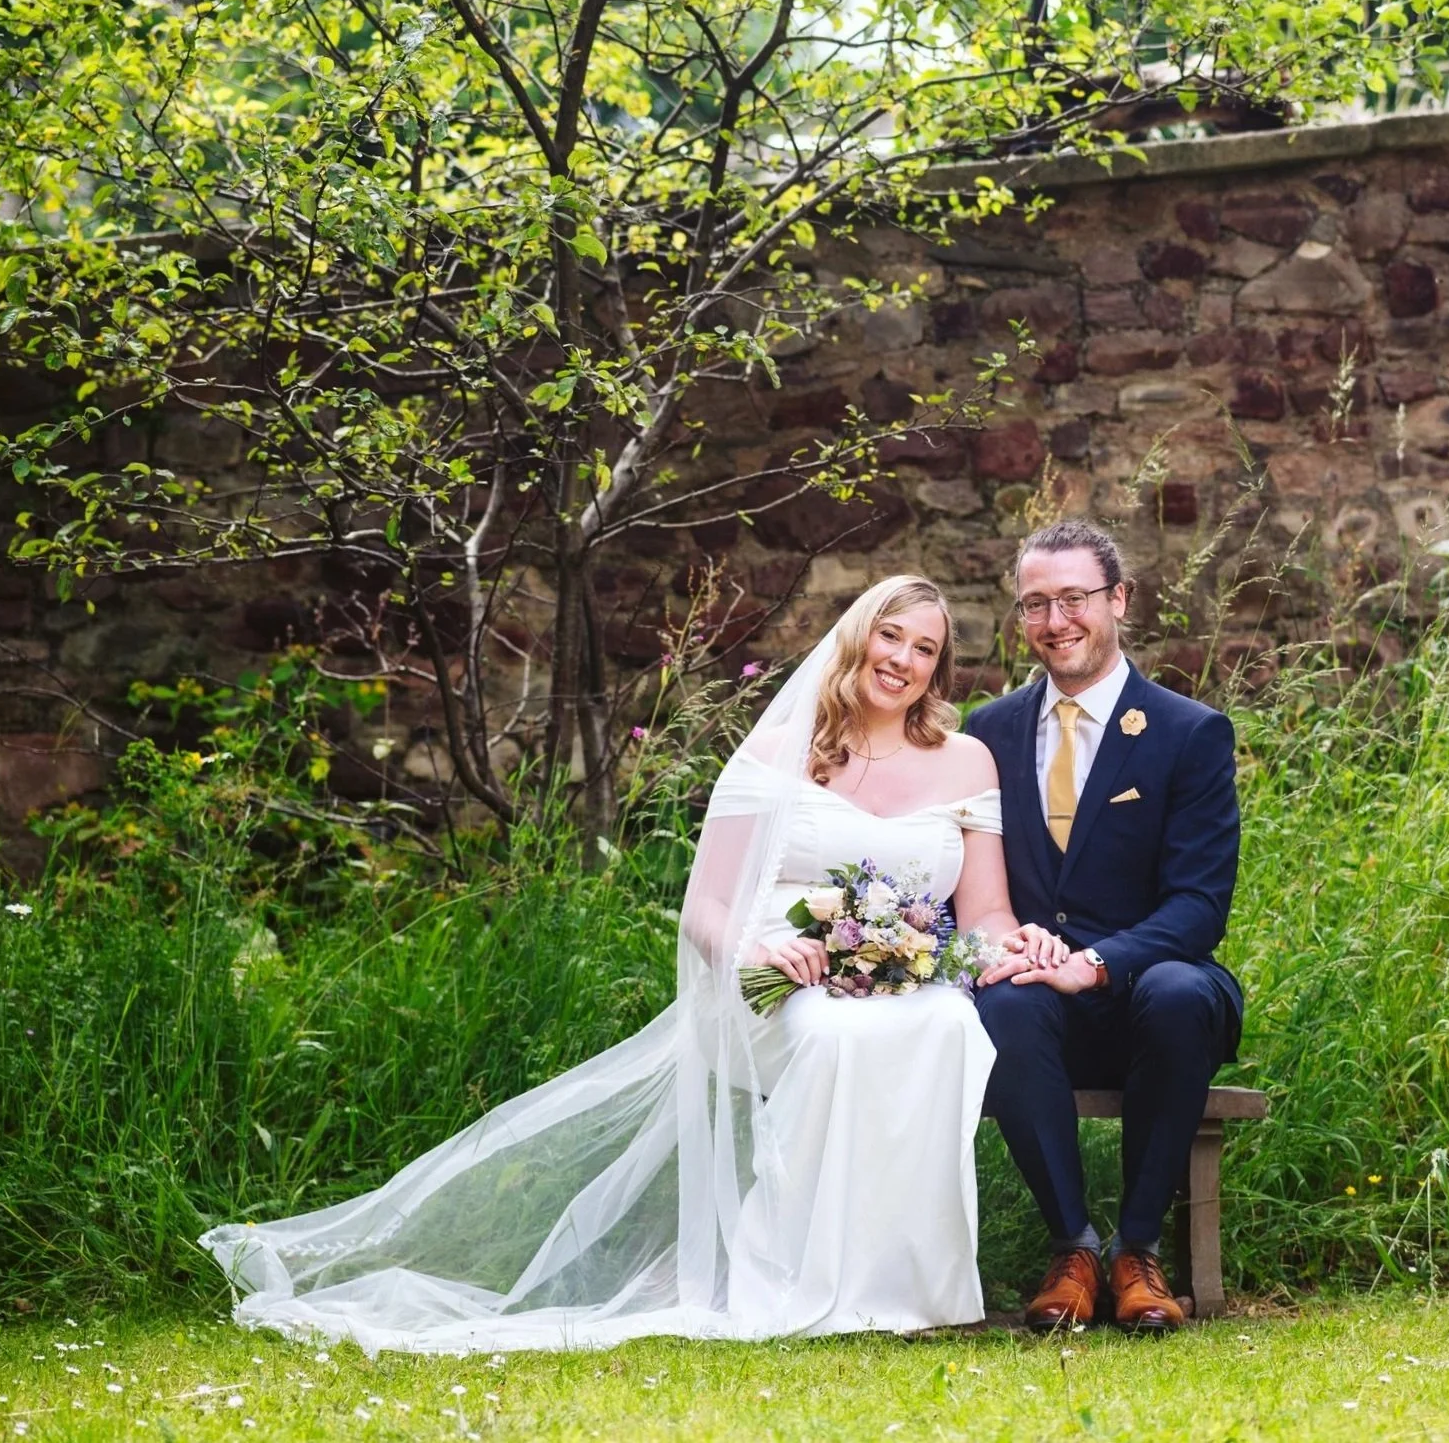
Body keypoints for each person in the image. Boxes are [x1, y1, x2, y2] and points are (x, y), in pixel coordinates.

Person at [202, 576, 1032, 1352]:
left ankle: (910, 1286)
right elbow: (708, 906)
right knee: (824, 1032)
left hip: (901, 981)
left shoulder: (965, 762)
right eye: (890, 636)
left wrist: (1019, 950)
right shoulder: (781, 747)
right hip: (780, 982)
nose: (902, 660)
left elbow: (986, 913)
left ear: (940, 666)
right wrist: (760, 945)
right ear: (856, 639)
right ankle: (791, 1277)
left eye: (924, 648)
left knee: (951, 1020)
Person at [968, 521, 1243, 1335]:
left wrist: (1095, 961)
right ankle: (1074, 1250)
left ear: (1118, 600)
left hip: (1148, 1002)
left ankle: (1139, 1252)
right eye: (1036, 604)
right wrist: (1016, 945)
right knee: (1004, 1003)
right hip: (1037, 1006)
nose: (1056, 621)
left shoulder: (1189, 732)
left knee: (1181, 990)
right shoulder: (987, 732)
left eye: (1074, 599)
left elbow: (1199, 905)